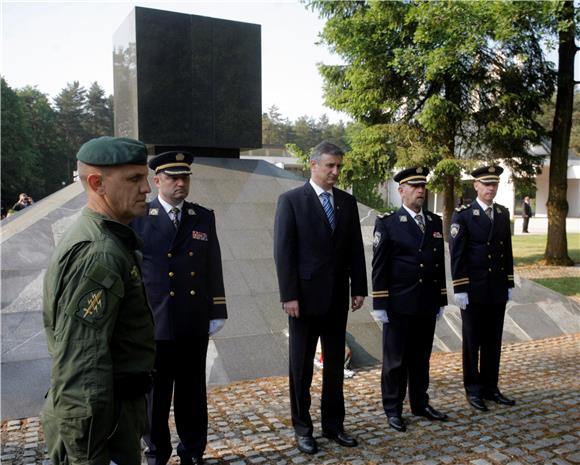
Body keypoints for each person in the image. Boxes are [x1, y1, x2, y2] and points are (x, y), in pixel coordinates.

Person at [41, 136, 156, 465]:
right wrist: (85, 453)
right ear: (97, 183)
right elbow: (81, 361)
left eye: (144, 178)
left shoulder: (105, 237)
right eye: (134, 179)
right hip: (103, 428)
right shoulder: (100, 252)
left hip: (113, 414)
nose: (146, 189)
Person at [131, 151, 227, 465]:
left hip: (191, 321)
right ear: (157, 180)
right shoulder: (140, 217)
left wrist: (217, 310)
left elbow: (213, 266)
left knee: (192, 394)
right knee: (155, 398)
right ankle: (156, 452)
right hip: (154, 322)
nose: (180, 183)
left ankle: (192, 450)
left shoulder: (202, 216)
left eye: (184, 177)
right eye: (173, 177)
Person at [273, 141, 367, 455]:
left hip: (336, 298)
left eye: (339, 166)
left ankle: (333, 425)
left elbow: (355, 247)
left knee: (334, 367)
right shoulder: (291, 201)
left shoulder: (346, 203)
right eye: (330, 166)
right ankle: (303, 429)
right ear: (313, 165)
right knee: (300, 369)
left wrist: (360, 288)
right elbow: (284, 252)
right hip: (303, 301)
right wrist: (289, 295)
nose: (335, 172)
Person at [371, 167, 448, 433]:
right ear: (401, 191)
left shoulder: (435, 221)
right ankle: (393, 409)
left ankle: (419, 403)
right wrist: (379, 304)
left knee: (421, 358)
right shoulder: (388, 222)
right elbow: (379, 267)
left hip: (426, 303)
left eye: (422, 186)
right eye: (414, 187)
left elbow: (439, 264)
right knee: (395, 362)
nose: (420, 191)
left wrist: (441, 300)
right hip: (398, 305)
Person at [449, 165, 516, 412]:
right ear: (475, 186)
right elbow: (457, 254)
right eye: (486, 184)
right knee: (472, 342)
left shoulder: (501, 213)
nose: (490, 188)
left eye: (494, 184)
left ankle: (491, 387)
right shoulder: (464, 214)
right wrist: (460, 287)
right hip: (474, 289)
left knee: (493, 341)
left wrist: (509, 282)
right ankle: (473, 389)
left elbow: (506, 252)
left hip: (496, 288)